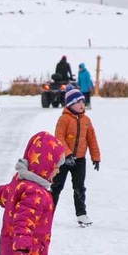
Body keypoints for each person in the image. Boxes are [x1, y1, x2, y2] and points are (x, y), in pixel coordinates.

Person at [51, 87, 101, 227]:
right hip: (63, 160)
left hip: (79, 160)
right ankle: (48, 212)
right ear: (69, 104)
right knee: (56, 187)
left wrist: (95, 156)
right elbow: (59, 137)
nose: (81, 104)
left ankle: (81, 214)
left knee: (79, 188)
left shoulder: (86, 120)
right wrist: (67, 154)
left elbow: (91, 139)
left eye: (82, 101)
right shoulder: (64, 119)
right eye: (77, 102)